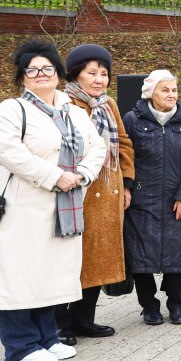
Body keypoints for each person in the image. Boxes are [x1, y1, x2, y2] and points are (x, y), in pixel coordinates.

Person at [0, 40, 106, 361]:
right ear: (23, 77)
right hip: (25, 206)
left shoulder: (72, 111)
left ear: (58, 73)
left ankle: (47, 337)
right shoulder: (12, 110)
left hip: (64, 207)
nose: (41, 74)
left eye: (47, 68)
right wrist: (54, 176)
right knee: (21, 274)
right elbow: (10, 153)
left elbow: (97, 147)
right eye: (32, 70)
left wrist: (81, 174)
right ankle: (20, 346)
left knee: (51, 275)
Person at [58, 43, 132, 343]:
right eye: (92, 73)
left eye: (104, 73)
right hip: (78, 191)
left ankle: (84, 319)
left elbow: (124, 144)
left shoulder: (108, 104)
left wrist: (126, 183)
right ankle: (60, 323)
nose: (99, 79)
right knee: (73, 258)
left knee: (99, 257)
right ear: (76, 75)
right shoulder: (64, 103)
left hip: (110, 190)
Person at [123, 70, 181, 326]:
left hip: (176, 199)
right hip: (141, 200)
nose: (171, 95)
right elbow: (125, 158)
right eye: (164, 90)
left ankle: (176, 303)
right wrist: (127, 188)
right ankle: (149, 306)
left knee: (177, 253)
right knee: (141, 255)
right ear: (150, 93)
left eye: (174, 90)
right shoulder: (133, 120)